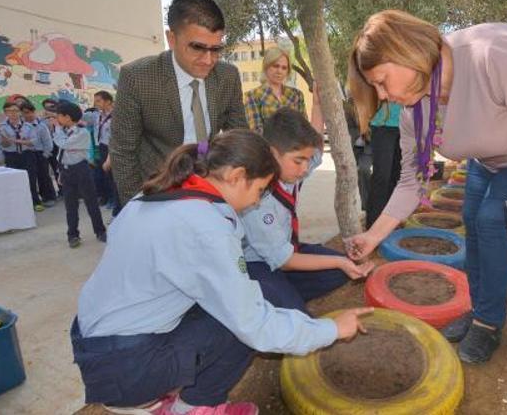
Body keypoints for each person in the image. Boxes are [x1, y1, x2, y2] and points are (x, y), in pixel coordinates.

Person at [346, 10, 507, 364]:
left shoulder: (489, 55)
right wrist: (373, 236)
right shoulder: (412, 110)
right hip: (489, 162)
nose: (383, 96)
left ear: (408, 53)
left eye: (382, 81)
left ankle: (489, 323)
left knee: (491, 220)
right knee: (472, 219)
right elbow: (411, 182)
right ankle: (480, 309)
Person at [72, 130, 373, 415]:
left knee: (237, 299)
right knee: (245, 320)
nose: (257, 201)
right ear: (236, 177)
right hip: (125, 367)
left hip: (100, 348)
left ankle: (159, 388)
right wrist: (332, 329)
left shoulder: (161, 193)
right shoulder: (205, 226)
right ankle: (195, 407)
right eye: (258, 190)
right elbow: (254, 324)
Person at [111, 0, 247, 206]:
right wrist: (137, 207)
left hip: (210, 190)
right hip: (159, 191)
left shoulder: (227, 76)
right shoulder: (138, 77)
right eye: (197, 47)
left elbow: (240, 136)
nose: (208, 60)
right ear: (171, 39)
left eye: (216, 49)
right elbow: (123, 151)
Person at [241, 108, 374, 314]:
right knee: (296, 314)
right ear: (273, 153)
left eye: (306, 160)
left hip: (287, 250)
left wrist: (319, 105)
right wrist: (338, 261)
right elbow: (284, 261)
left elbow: (317, 149)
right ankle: (268, 295)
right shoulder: (258, 199)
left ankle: (279, 292)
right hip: (259, 263)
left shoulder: (291, 171)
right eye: (298, 161)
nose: (305, 168)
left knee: (342, 271)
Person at [53, 101, 106, 248]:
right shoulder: (63, 131)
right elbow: (60, 153)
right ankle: (73, 235)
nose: (57, 118)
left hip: (81, 169)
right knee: (70, 205)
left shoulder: (82, 132)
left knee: (91, 202)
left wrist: (57, 130)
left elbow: (64, 144)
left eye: (59, 116)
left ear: (67, 117)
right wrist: (60, 173)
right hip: (66, 170)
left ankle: (100, 231)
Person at [244, 47, 323, 134]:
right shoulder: (252, 96)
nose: (279, 71)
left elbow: (304, 128)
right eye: (275, 66)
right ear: (266, 67)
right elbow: (256, 132)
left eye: (284, 68)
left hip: (297, 146)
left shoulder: (296, 95)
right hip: (266, 146)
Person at [0, 101, 44, 211]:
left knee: (31, 179)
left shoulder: (28, 126)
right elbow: (4, 144)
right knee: (14, 180)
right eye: (9, 111)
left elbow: (33, 141)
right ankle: (19, 204)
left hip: (27, 155)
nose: (13, 113)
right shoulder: (2, 127)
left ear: (20, 112)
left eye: (15, 110)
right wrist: (6, 141)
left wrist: (14, 140)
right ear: (5, 113)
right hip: (11, 156)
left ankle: (35, 201)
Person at [366, 102, 402, 229]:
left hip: (407, 126)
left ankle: (389, 222)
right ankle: (373, 224)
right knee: (382, 176)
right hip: (383, 125)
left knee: (397, 176)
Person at [20, 100, 57, 207]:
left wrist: (45, 155)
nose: (26, 115)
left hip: (40, 153)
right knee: (31, 178)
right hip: (27, 154)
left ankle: (48, 197)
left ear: (33, 112)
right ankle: (34, 199)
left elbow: (48, 142)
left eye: (28, 112)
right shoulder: (21, 125)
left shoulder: (41, 125)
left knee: (44, 176)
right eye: (23, 113)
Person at [92, 90, 118, 211]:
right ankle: (106, 197)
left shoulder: (116, 115)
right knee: (103, 174)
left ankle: (114, 200)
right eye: (95, 101)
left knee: (113, 175)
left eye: (98, 101)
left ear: (108, 101)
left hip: (113, 148)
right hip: (101, 146)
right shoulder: (97, 115)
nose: (95, 103)